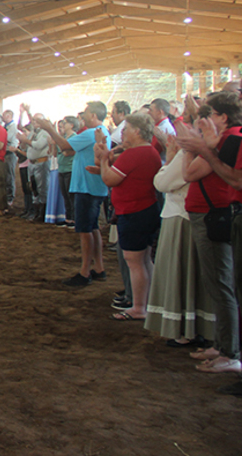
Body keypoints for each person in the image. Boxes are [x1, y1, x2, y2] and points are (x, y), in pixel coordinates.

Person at [178, 92, 242, 375]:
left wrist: (200, 149)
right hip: (214, 212)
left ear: (222, 117)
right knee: (219, 283)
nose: (204, 121)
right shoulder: (228, 138)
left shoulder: (234, 138)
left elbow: (199, 174)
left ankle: (229, 351)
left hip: (214, 213)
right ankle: (224, 344)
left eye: (209, 115)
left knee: (221, 284)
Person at [145, 133, 214, 346]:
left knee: (180, 273)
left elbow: (162, 182)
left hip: (180, 216)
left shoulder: (192, 153)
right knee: (196, 276)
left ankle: (184, 331)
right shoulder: (212, 150)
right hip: (194, 215)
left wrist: (170, 159)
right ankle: (197, 328)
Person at [94, 113, 162, 321]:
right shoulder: (149, 152)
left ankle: (139, 306)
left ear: (138, 132)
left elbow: (109, 178)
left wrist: (104, 160)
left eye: (126, 129)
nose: (122, 133)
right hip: (145, 208)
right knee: (143, 259)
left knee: (134, 260)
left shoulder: (133, 154)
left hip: (134, 211)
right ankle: (146, 302)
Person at [34, 102, 110, 286]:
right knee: (92, 228)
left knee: (85, 230)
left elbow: (64, 145)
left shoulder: (91, 133)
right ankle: (98, 267)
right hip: (93, 185)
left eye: (85, 113)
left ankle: (85, 272)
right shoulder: (100, 132)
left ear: (93, 116)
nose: (82, 116)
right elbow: (67, 149)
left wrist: (50, 129)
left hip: (86, 185)